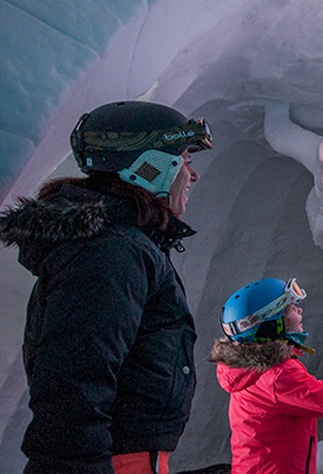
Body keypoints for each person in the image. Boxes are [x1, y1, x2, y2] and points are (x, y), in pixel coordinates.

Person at [0, 100, 213, 473]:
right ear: (151, 167)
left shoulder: (121, 246)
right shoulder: (111, 252)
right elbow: (74, 379)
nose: (193, 177)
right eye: (186, 162)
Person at [209, 277, 323, 474]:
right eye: (290, 308)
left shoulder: (247, 369)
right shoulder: (277, 376)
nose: (299, 310)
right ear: (273, 324)